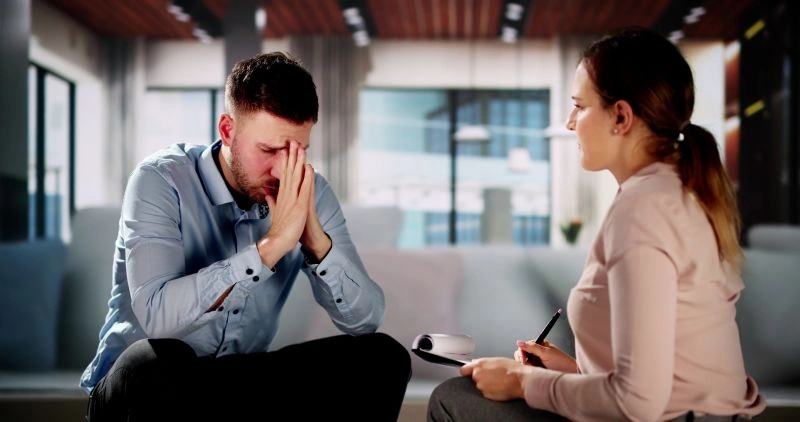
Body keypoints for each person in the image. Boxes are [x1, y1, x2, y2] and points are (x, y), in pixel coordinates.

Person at [428, 27, 767, 422]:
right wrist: (575, 373)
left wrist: (522, 382)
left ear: (620, 116)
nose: (571, 122)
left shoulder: (644, 210)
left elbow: (638, 402)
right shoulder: (679, 191)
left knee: (453, 396)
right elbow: (664, 376)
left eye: (579, 106)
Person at [81, 51, 411, 421]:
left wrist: (315, 241)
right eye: (269, 150)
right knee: (156, 361)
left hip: (232, 386)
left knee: (382, 357)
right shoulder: (159, 180)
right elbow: (159, 319)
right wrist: (271, 247)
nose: (282, 169)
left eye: (297, 150)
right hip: (139, 388)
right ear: (227, 130)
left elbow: (365, 320)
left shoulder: (310, 190)